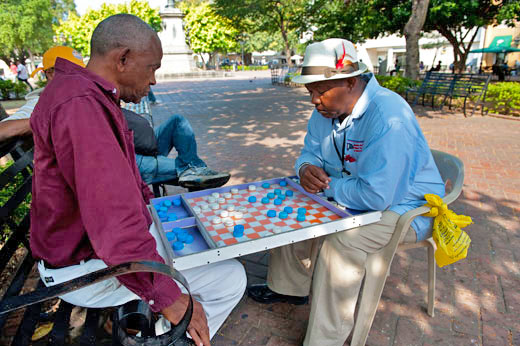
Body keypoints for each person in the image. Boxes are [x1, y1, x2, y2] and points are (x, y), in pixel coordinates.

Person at [29, 14, 246, 346]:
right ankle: (170, 338)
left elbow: (122, 190)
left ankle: (163, 334)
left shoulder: (87, 94)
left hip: (87, 248)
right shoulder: (81, 105)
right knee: (229, 278)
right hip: (82, 267)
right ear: (123, 59)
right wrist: (169, 297)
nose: (154, 81)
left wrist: (156, 211)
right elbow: (114, 224)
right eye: (151, 68)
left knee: (205, 241)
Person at [247, 38, 445, 346]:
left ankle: (325, 338)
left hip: (406, 207)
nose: (314, 100)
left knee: (342, 243)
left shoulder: (389, 117)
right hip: (352, 194)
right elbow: (309, 153)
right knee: (292, 199)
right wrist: (305, 170)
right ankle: (289, 288)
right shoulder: (326, 111)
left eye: (320, 90)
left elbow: (378, 197)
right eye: (309, 92)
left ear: (351, 82)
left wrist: (327, 187)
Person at [0, 46, 230, 190]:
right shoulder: (43, 103)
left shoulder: (82, 91)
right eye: (71, 71)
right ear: (50, 73)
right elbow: (4, 130)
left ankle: (193, 169)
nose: (79, 76)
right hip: (125, 163)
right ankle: (194, 177)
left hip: (135, 146)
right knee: (200, 175)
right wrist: (62, 116)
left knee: (179, 123)